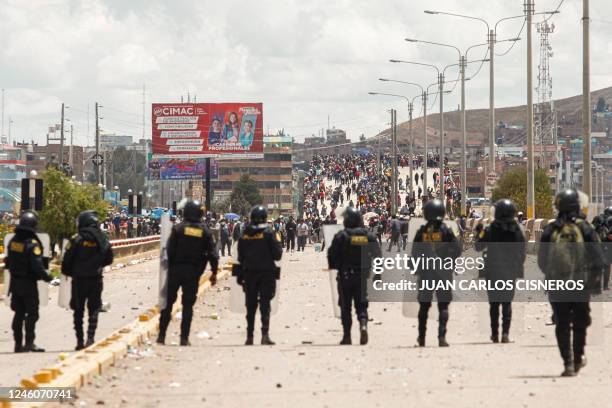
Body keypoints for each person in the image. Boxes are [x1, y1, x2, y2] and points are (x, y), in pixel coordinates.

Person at [538, 188, 605, 376]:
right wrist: (594, 280)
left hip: (557, 284)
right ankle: (578, 357)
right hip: (580, 283)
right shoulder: (585, 228)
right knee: (580, 321)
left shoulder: (551, 229)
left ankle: (567, 362)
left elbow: (542, 260)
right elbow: (598, 257)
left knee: (562, 322)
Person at [157, 200, 218, 346]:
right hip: (193, 273)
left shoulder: (178, 229)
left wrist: (169, 268)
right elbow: (213, 254)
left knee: (168, 303)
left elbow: (169, 250)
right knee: (188, 306)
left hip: (175, 272)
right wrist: (214, 272)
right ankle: (184, 338)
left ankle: (162, 335)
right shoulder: (205, 231)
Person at [474, 199, 526, 344]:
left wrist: (478, 233)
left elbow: (478, 247)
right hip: (510, 271)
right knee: (507, 303)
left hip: (493, 271)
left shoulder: (490, 229)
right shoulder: (517, 230)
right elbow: (522, 253)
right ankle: (505, 334)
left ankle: (495, 334)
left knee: (494, 304)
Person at [327, 207, 381, 345]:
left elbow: (331, 256)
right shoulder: (368, 237)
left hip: (345, 276)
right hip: (362, 276)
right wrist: (378, 274)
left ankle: (347, 336)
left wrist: (336, 266)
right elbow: (378, 256)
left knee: (346, 307)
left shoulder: (341, 236)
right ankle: (363, 325)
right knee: (361, 305)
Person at [62, 211, 114, 350]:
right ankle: (90, 338)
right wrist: (97, 266)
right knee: (94, 309)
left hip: (79, 281)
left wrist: (69, 273)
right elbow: (109, 258)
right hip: (95, 280)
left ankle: (79, 341)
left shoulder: (76, 239)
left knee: (78, 311)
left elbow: (66, 260)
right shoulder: (102, 239)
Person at [412, 199, 461, 347]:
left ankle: (421, 338)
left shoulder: (422, 232)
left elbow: (415, 254)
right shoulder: (447, 231)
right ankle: (441, 337)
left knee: (424, 306)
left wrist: (416, 267)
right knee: (443, 306)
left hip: (426, 273)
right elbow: (457, 250)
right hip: (444, 274)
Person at [5, 211, 51, 353]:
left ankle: (18, 344)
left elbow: (8, 261)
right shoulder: (32, 244)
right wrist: (47, 276)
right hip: (29, 284)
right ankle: (29, 342)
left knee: (18, 313)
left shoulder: (13, 242)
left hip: (15, 283)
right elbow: (37, 265)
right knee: (32, 313)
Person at [236, 205, 283, 345]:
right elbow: (278, 255)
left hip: (249, 273)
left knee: (250, 306)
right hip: (267, 274)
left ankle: (249, 336)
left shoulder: (245, 234)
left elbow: (239, 257)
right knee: (265, 304)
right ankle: (264, 335)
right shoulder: (270, 233)